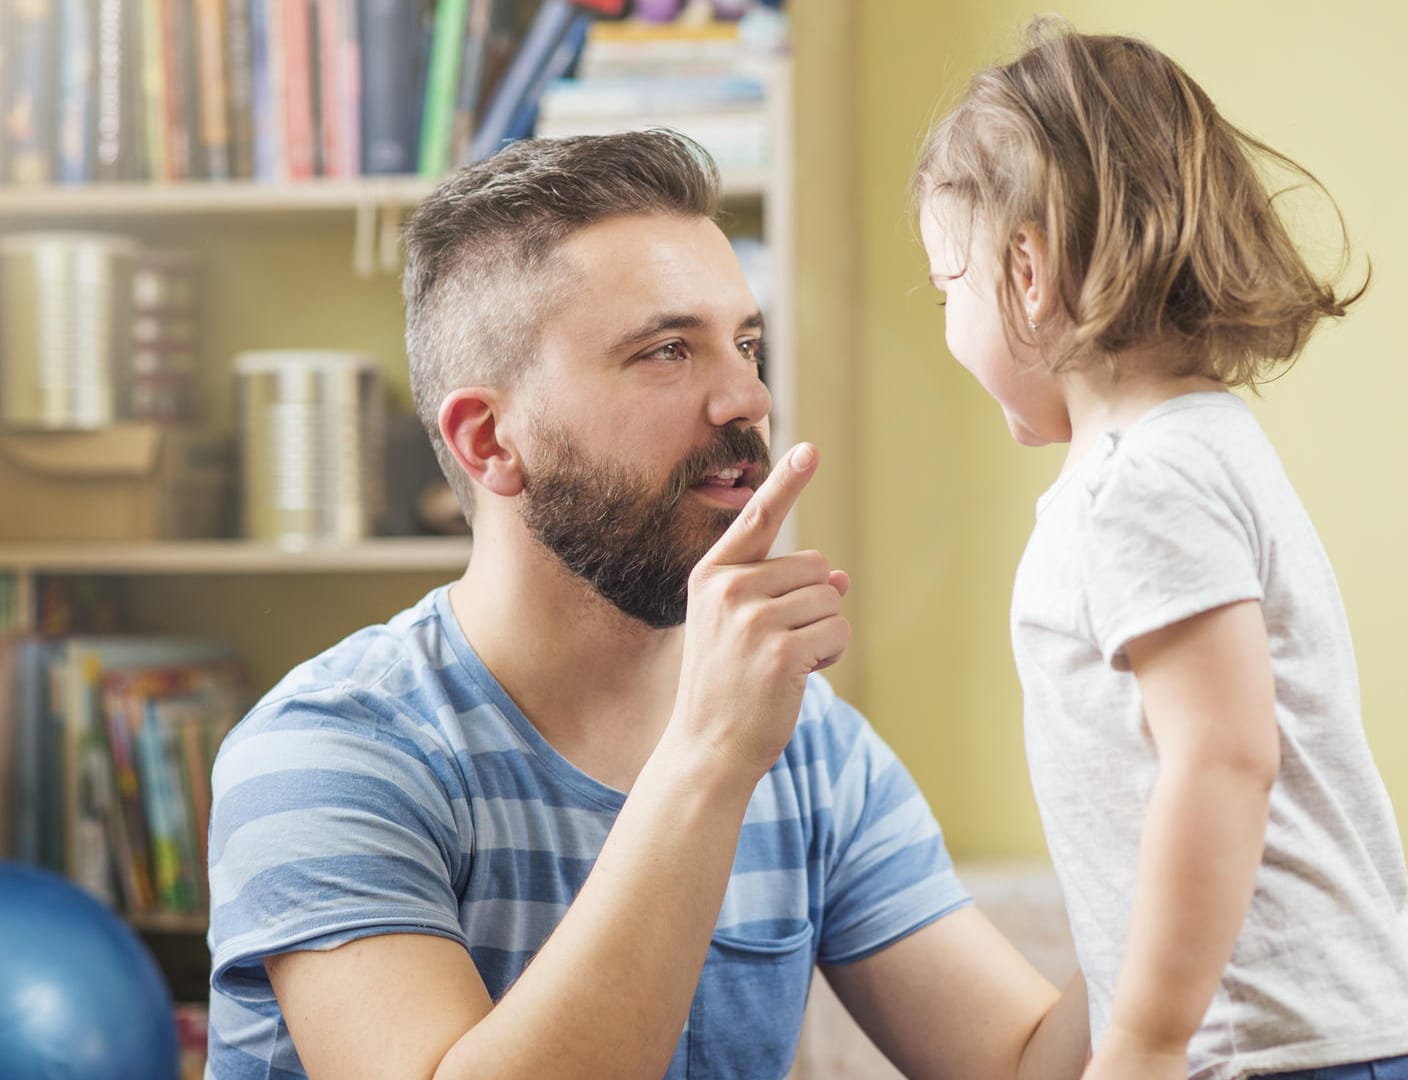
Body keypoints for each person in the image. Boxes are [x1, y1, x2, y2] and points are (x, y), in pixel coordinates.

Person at [206, 130, 1088, 1080]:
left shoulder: (813, 752)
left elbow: (1028, 1066)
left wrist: (1205, 832)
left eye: (746, 344)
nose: (747, 398)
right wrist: (709, 755)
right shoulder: (324, 753)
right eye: (668, 351)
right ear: (489, 439)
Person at [913, 20, 1408, 1080]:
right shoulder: (1203, 448)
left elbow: (1222, 756)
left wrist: (1146, 1046)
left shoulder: (1135, 489)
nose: (944, 329)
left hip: (1260, 1050)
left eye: (945, 289)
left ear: (1027, 271)